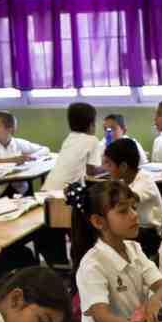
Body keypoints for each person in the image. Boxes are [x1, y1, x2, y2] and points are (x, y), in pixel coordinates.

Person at [70, 180, 162, 322]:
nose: (134, 215)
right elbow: (102, 319)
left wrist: (155, 300)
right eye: (123, 211)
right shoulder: (92, 265)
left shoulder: (134, 248)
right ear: (98, 222)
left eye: (134, 207)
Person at [38, 102, 100, 265]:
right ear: (91, 124)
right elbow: (92, 171)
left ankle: (60, 263)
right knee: (80, 229)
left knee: (55, 230)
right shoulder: (92, 140)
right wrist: (107, 166)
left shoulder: (69, 138)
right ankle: (79, 261)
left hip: (47, 191)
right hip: (66, 195)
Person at [102, 137, 162, 257]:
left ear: (123, 167)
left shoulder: (145, 181)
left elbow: (128, 200)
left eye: (109, 164)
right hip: (135, 228)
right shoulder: (124, 181)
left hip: (149, 233)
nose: (106, 168)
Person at [0, 111, 50, 198]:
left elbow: (45, 149)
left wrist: (31, 157)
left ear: (9, 129)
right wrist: (15, 160)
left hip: (19, 190)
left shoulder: (17, 143)